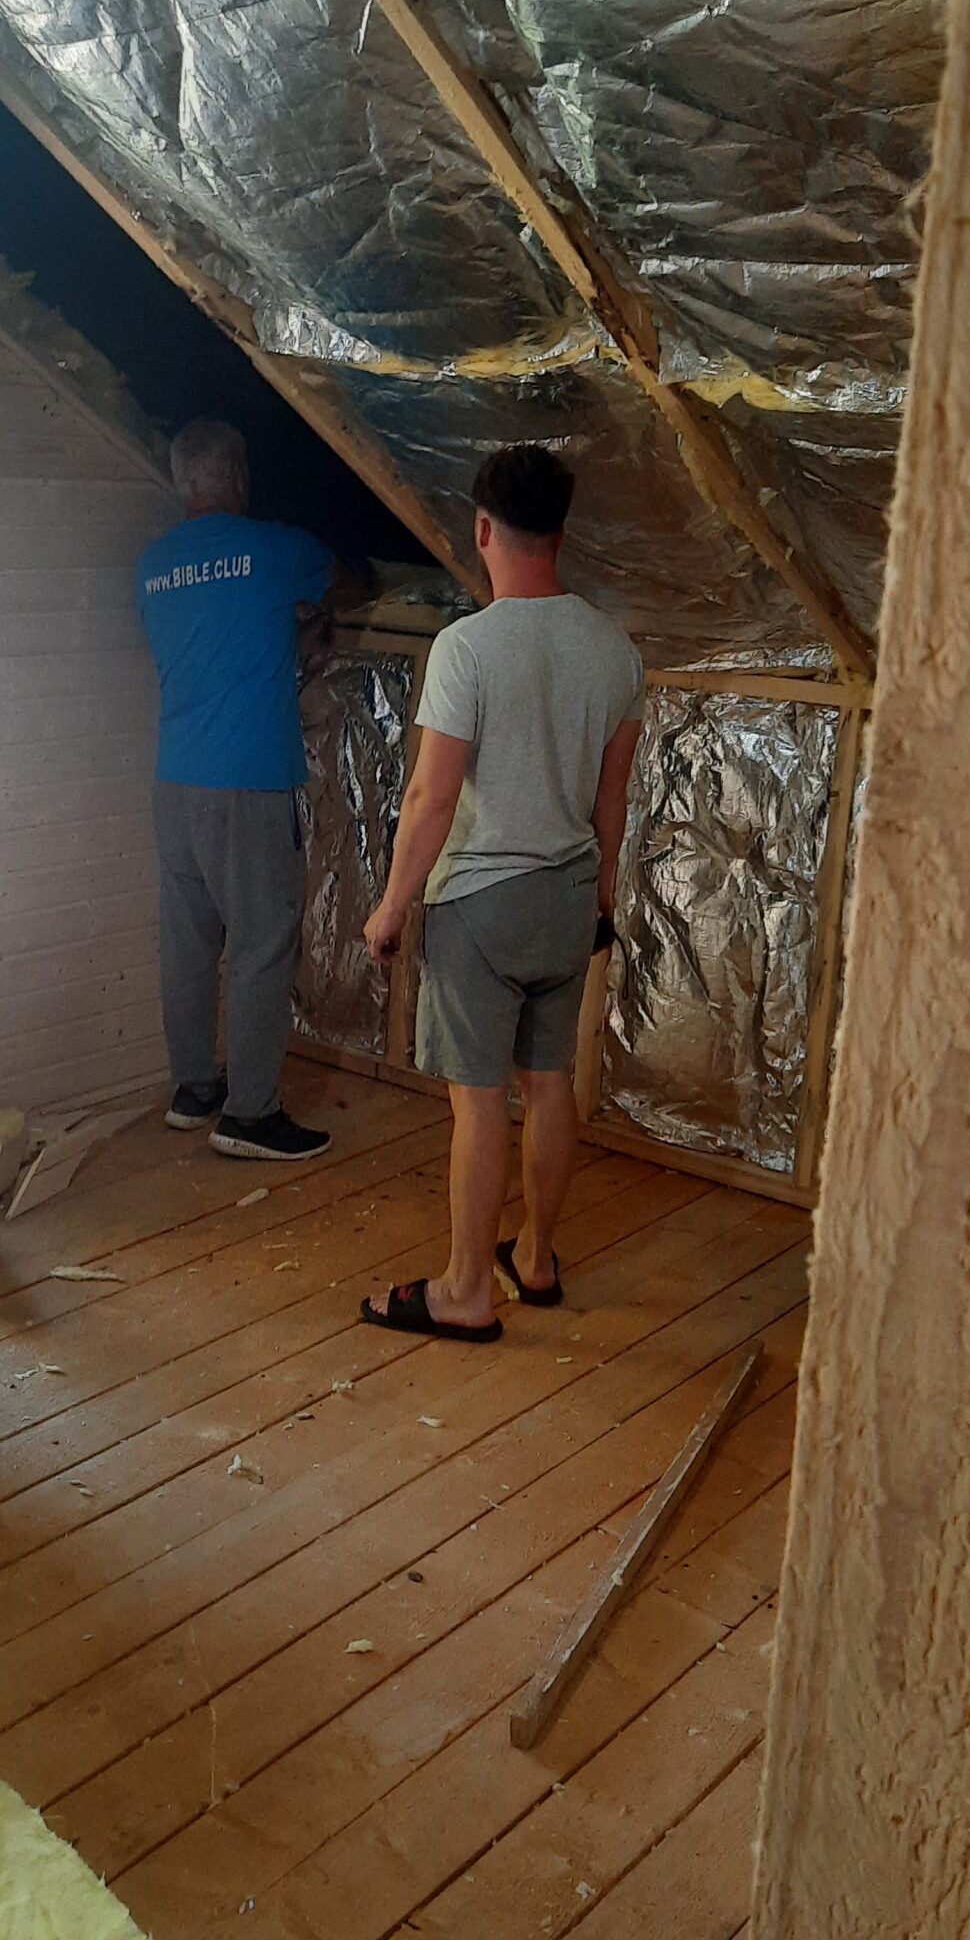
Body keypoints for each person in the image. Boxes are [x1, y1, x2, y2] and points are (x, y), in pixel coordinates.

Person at [360, 443, 644, 1339]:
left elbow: (431, 798)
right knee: (549, 1080)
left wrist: (392, 906)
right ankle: (537, 1260)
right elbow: (611, 801)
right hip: (567, 897)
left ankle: (465, 1292)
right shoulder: (614, 649)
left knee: (479, 1100)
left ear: (484, 529)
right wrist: (600, 899)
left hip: (482, 902)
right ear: (559, 533)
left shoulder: (466, 648)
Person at [136, 417, 336, 1163]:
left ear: (180, 483)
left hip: (175, 778)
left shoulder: (152, 567)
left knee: (188, 942)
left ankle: (195, 1092)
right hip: (249, 780)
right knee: (261, 943)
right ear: (241, 477)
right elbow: (340, 576)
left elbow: (212, 637)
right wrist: (311, 622)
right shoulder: (275, 550)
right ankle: (251, 1115)